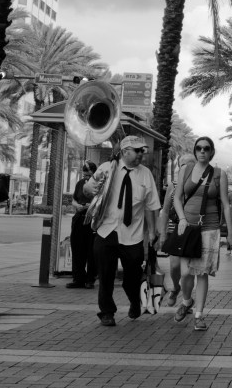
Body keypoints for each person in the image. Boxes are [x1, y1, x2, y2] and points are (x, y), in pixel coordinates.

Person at [82, 135, 161, 327]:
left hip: (132, 234)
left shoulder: (145, 174)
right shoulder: (107, 168)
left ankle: (135, 300)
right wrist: (91, 189)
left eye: (143, 151)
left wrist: (153, 233)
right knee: (105, 274)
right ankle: (107, 312)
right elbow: (86, 190)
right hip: (106, 231)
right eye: (137, 151)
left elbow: (151, 206)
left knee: (133, 276)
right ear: (125, 152)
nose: (141, 154)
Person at [171, 137, 232, 332]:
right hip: (187, 227)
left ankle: (199, 315)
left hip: (210, 227)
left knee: (202, 273)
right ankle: (187, 300)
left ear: (212, 152)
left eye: (206, 149)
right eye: (198, 148)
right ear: (195, 150)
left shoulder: (219, 174)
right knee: (185, 272)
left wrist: (231, 232)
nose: (202, 151)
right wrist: (181, 218)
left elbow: (225, 204)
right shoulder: (185, 170)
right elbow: (177, 198)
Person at [156, 153, 195, 306]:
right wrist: (163, 233)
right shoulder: (173, 185)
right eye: (184, 164)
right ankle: (176, 287)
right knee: (174, 266)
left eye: (191, 163)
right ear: (179, 166)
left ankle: (187, 299)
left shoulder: (200, 184)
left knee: (189, 270)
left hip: (192, 230)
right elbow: (165, 210)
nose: (187, 166)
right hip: (175, 228)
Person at [67, 161, 98, 289]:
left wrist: (90, 207)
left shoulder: (99, 185)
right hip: (79, 218)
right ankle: (78, 278)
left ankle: (90, 279)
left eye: (89, 176)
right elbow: (74, 199)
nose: (86, 178)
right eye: (84, 175)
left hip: (92, 220)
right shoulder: (80, 183)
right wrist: (77, 206)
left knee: (91, 251)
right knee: (77, 249)